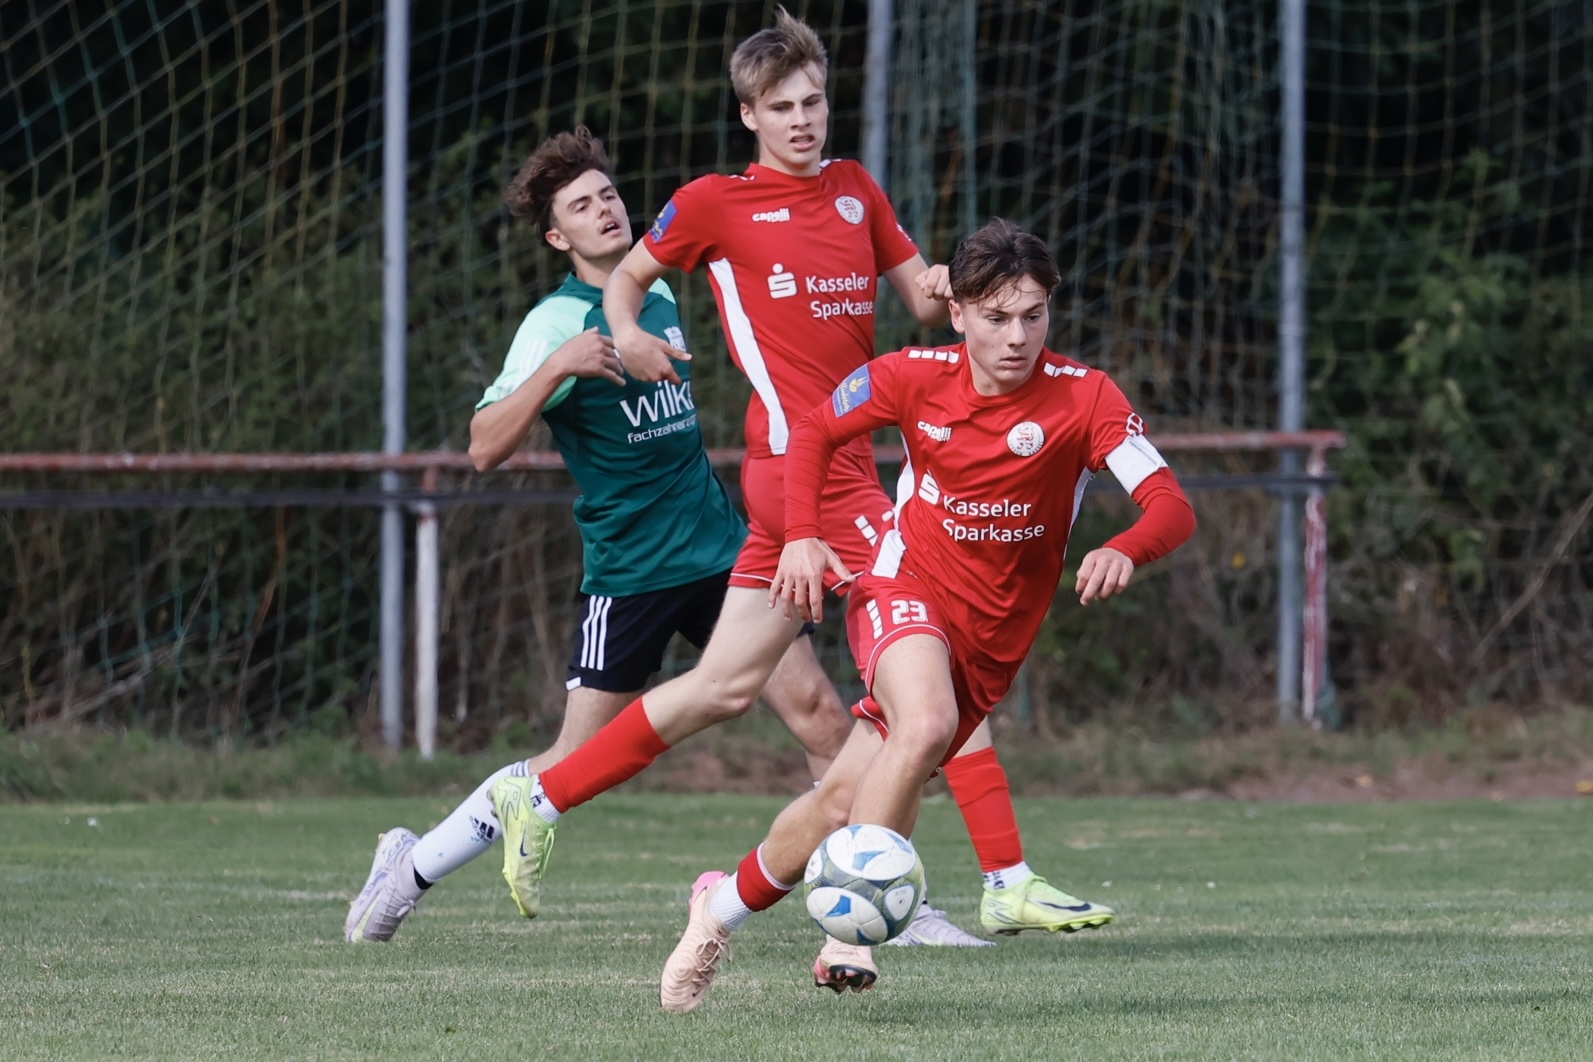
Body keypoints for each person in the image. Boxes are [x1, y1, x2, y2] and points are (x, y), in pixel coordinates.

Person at [485, 9, 1116, 980]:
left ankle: (543, 795)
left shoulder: (857, 190)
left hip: (834, 468)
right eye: (781, 107)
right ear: (749, 114)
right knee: (934, 654)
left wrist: (961, 286)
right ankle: (999, 877)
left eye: (813, 101)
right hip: (801, 468)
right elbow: (629, 278)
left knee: (723, 686)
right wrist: (629, 333)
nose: (802, 119)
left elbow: (922, 299)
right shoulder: (714, 203)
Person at [654, 219, 1198, 1013]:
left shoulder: (1086, 396)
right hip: (901, 585)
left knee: (841, 800)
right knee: (927, 721)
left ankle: (716, 912)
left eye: (1033, 316)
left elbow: (1170, 505)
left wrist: (1126, 547)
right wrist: (801, 536)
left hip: (990, 641)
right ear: (959, 313)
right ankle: (848, 936)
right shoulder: (912, 375)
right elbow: (813, 432)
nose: (1016, 337)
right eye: (996, 317)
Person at [343, 127, 850, 943]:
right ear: (556, 237)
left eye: (607, 194)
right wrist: (559, 367)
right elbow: (481, 447)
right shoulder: (554, 324)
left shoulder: (659, 291)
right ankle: (409, 867)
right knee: (567, 767)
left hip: (723, 550)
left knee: (822, 715)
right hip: (632, 569)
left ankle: (864, 905)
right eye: (580, 206)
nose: (604, 210)